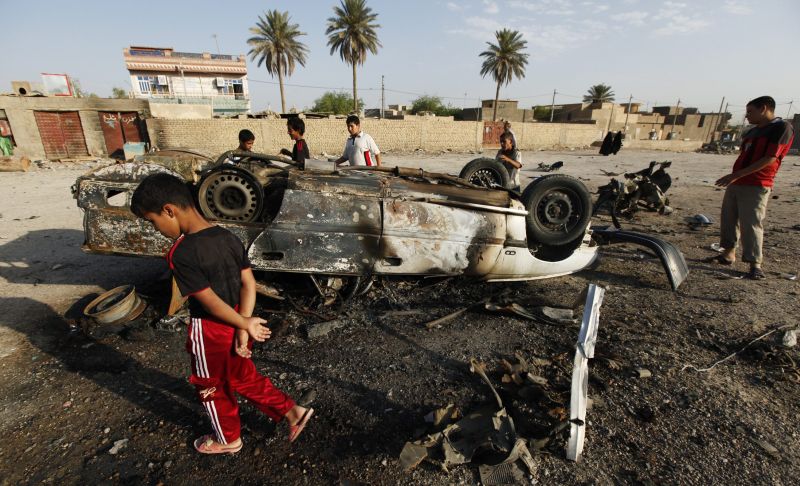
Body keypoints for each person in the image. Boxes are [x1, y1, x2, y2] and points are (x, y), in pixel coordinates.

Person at [130, 173, 313, 454]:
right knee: (241, 376)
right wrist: (244, 324)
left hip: (212, 329)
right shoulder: (227, 236)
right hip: (241, 316)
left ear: (169, 210)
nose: (156, 229)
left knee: (210, 385)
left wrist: (242, 324)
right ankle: (292, 412)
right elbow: (249, 284)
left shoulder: (181, 252)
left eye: (153, 222)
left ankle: (228, 439)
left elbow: (209, 301)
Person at [712, 96, 794, 280]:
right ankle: (728, 254)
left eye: (750, 111)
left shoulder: (781, 128)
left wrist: (736, 175)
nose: (747, 116)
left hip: (757, 183)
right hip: (737, 182)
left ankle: (754, 264)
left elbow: (770, 158)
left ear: (764, 108)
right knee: (729, 219)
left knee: (752, 223)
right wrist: (735, 177)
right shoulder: (753, 131)